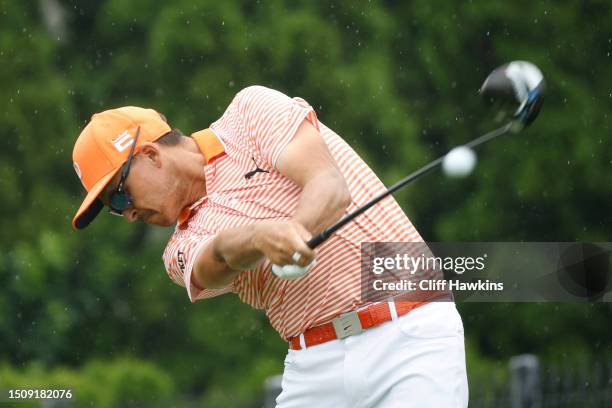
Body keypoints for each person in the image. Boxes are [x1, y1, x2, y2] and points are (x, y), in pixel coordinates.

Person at [71, 85, 468, 407]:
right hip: (315, 364)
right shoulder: (179, 246)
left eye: (119, 197)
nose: (126, 214)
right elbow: (216, 258)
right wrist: (260, 236)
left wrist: (298, 229)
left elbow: (329, 185)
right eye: (112, 209)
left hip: (409, 332)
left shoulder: (249, 113)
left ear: (152, 155)